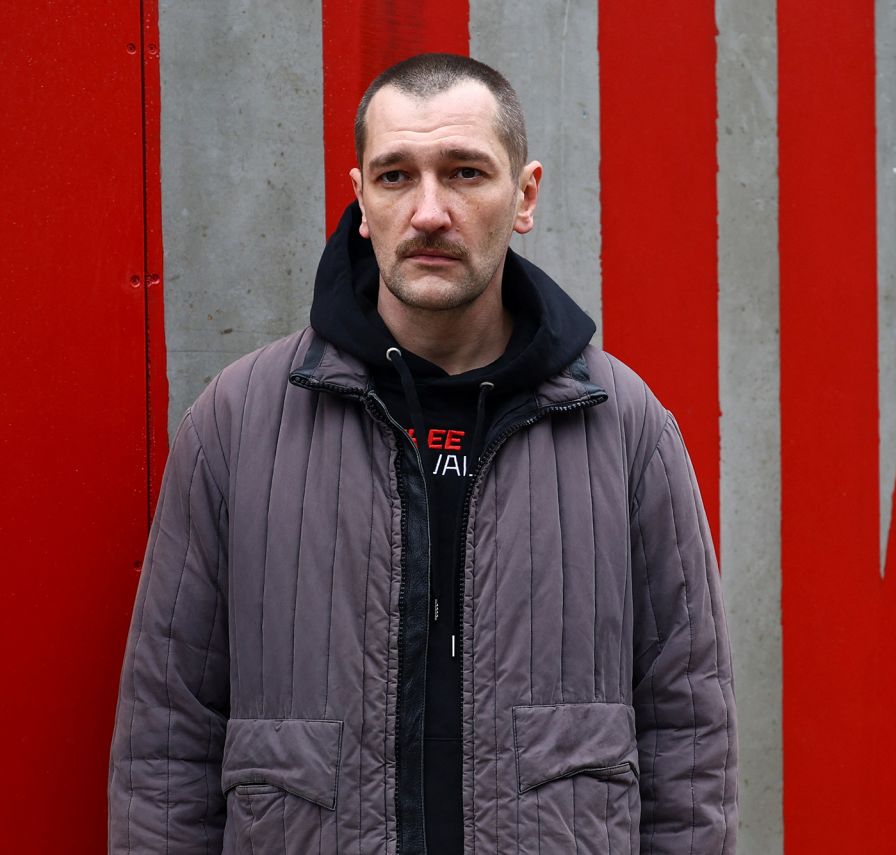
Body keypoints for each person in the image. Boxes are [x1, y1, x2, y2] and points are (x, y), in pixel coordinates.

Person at [107, 52, 737, 854]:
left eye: (466, 172)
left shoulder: (625, 426)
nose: (430, 210)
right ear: (362, 199)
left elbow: (690, 734)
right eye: (396, 175)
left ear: (525, 196)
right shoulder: (237, 421)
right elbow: (167, 738)